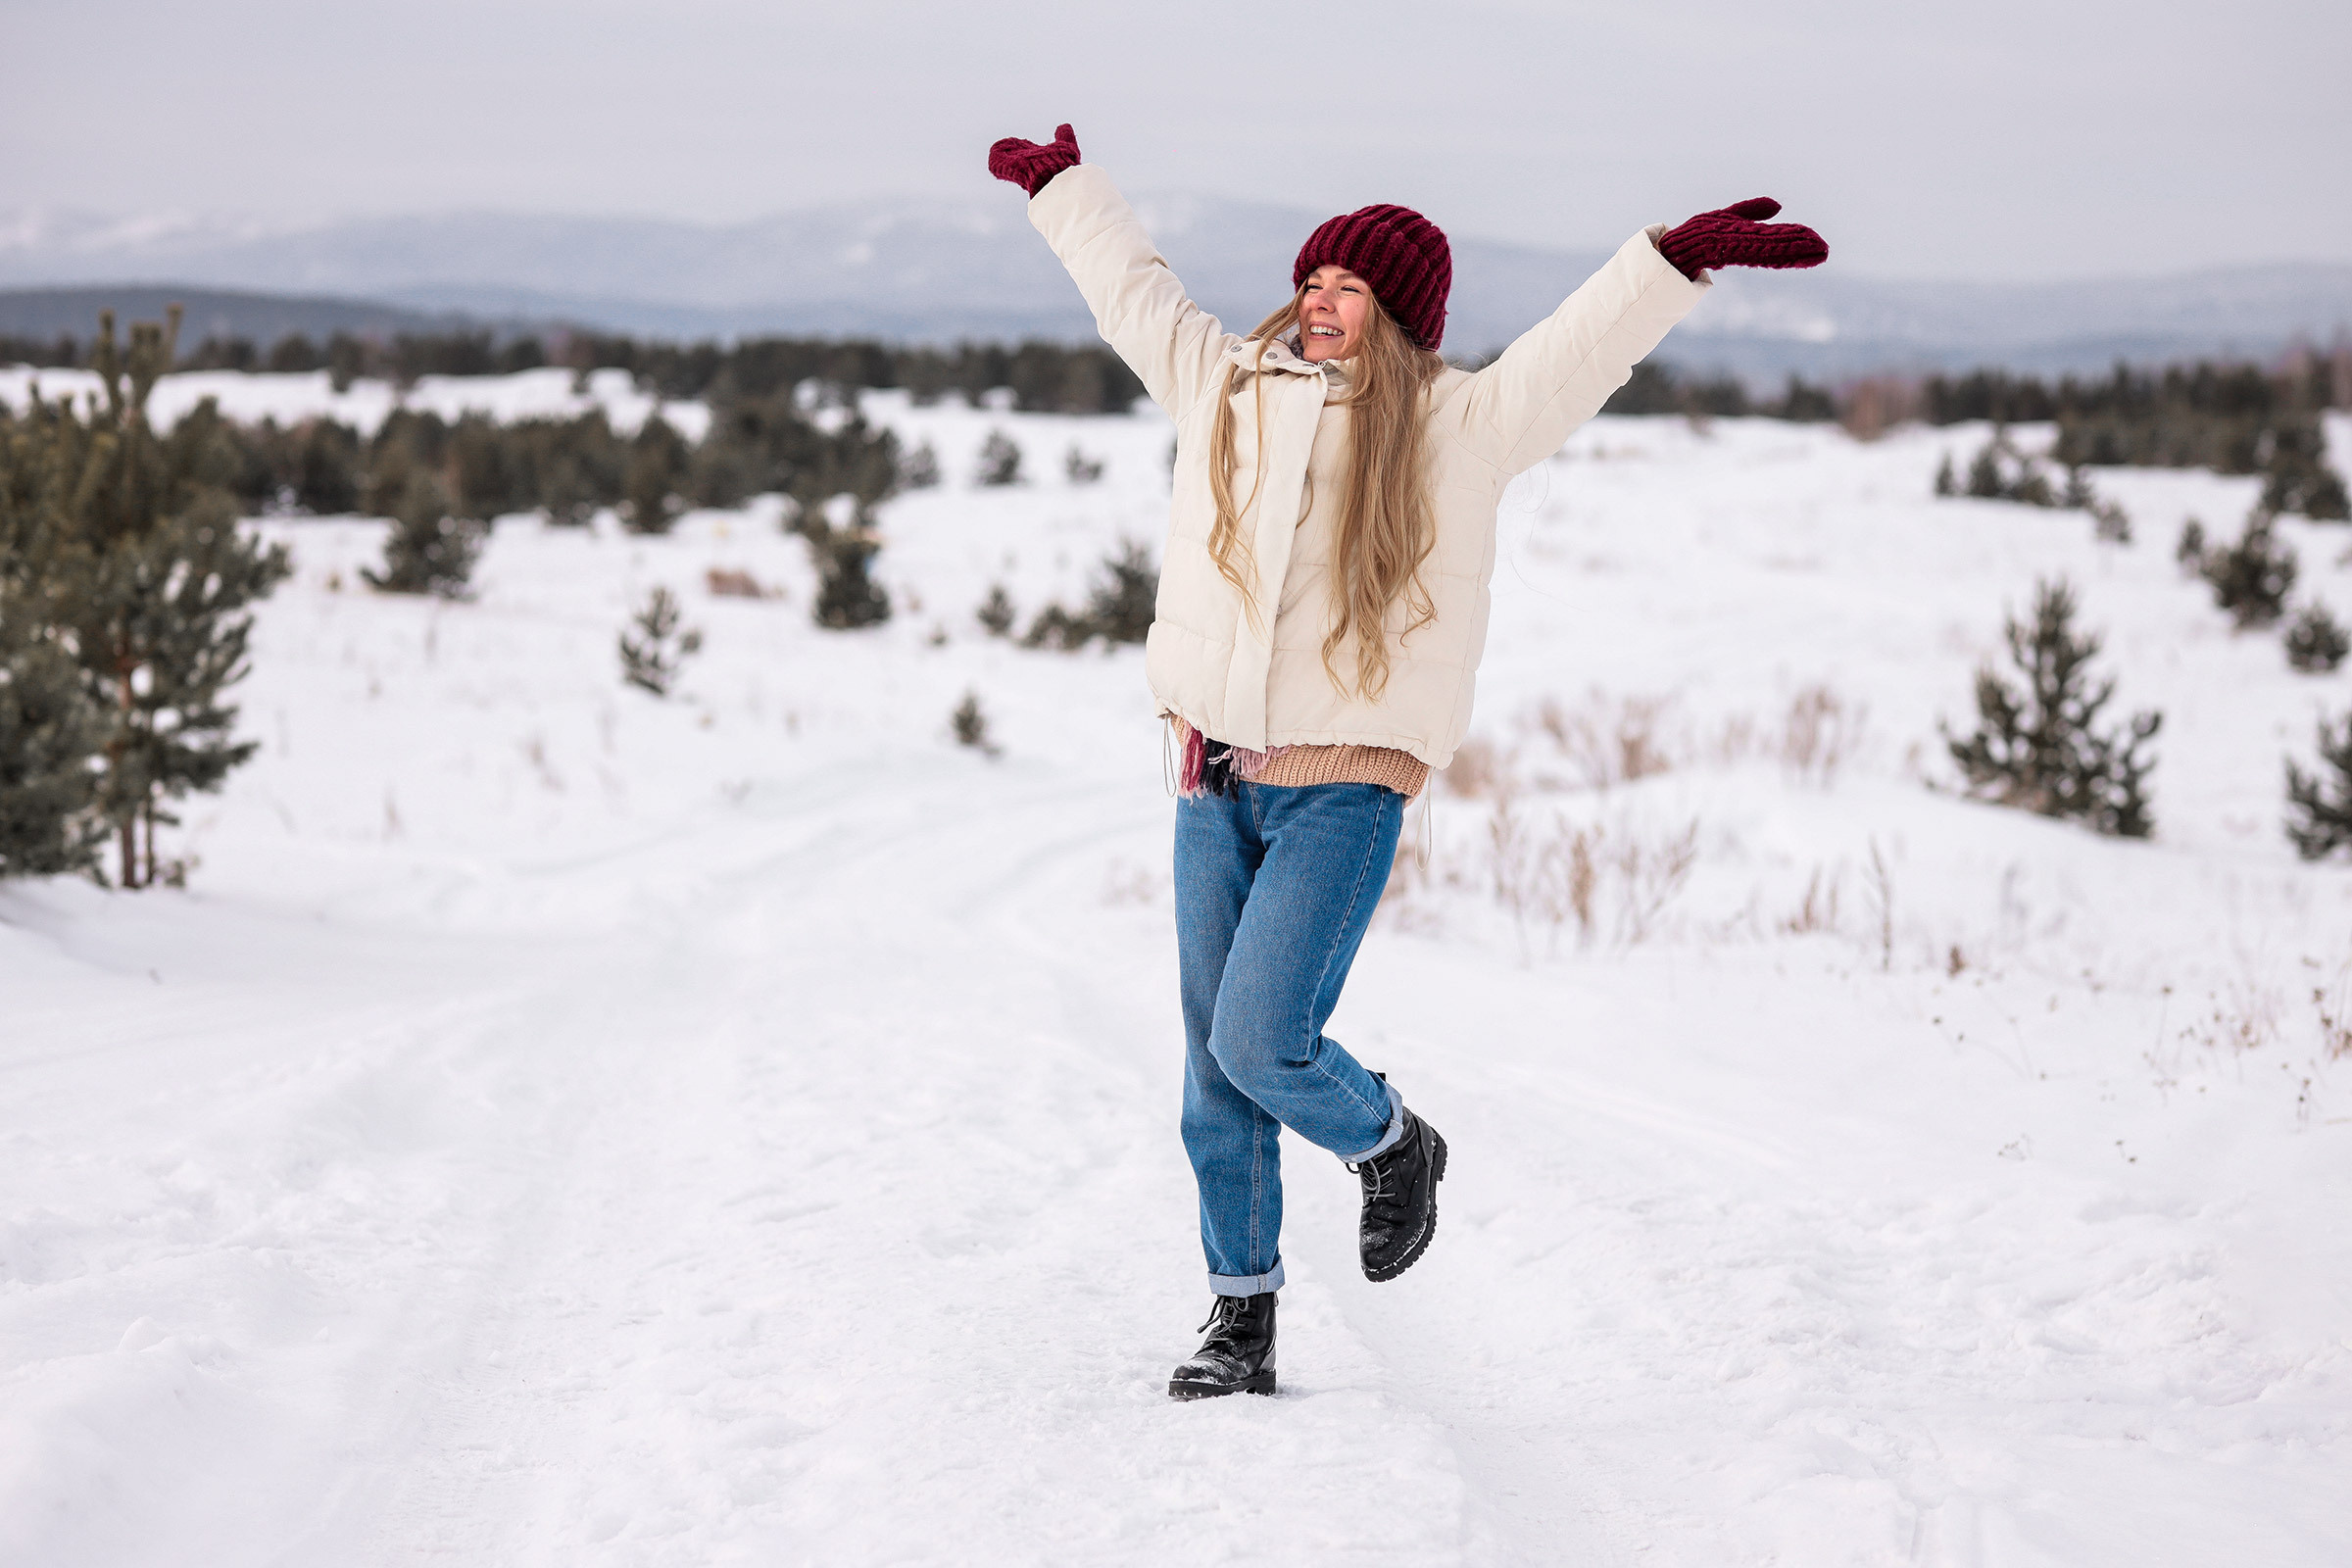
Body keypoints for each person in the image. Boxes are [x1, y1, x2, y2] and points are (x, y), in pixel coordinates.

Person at [987, 122, 1826, 1399]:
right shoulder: (1227, 388)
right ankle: (1241, 1322)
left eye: (1353, 290)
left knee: (1262, 1040)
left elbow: (1578, 350)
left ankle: (1391, 1144)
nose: (1322, 302)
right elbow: (1132, 293)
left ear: (1401, 320)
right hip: (1212, 779)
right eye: (1315, 280)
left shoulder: (1460, 428)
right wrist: (1064, 191)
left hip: (1342, 789)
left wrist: (1668, 261)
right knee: (1211, 1088)